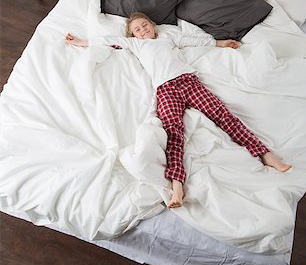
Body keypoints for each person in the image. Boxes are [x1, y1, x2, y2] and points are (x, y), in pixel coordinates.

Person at [65, 12, 292, 209]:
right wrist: (80, 42)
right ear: (132, 35)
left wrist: (221, 43)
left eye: (144, 25)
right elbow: (107, 40)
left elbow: (194, 40)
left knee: (223, 116)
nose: (142, 30)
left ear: (153, 26)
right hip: (165, 90)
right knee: (174, 134)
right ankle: (177, 187)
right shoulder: (136, 44)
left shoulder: (168, 36)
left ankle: (266, 155)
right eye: (137, 30)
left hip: (188, 81)